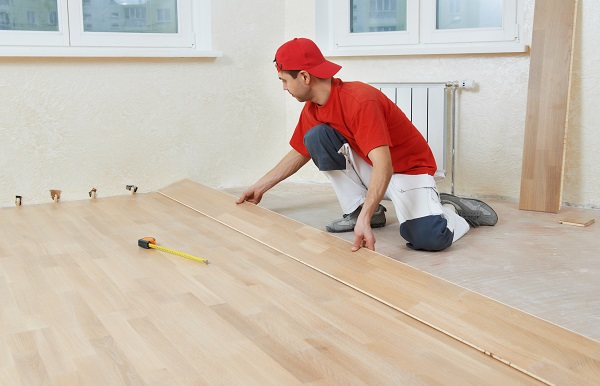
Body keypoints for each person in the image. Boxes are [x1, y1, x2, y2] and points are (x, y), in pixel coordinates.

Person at [236, 37, 497, 252]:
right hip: (374, 166)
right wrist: (260, 187)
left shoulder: (359, 100)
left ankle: (450, 210)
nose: (284, 87)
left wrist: (363, 223)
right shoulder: (313, 109)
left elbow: (385, 163)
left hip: (407, 170)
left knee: (428, 239)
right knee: (315, 137)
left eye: (284, 80)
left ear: (303, 76)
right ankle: (363, 211)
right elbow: (299, 152)